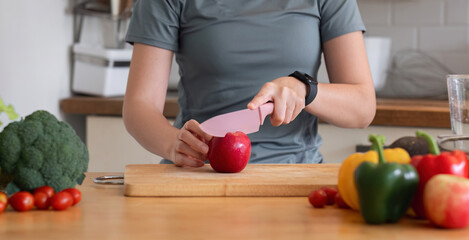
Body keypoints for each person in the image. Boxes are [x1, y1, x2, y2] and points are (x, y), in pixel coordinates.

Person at [122, 0, 376, 167]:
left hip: (295, 178)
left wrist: (305, 90)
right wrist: (173, 143)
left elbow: (362, 108)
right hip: (200, 176)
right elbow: (139, 106)